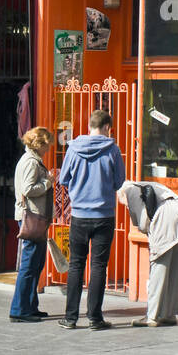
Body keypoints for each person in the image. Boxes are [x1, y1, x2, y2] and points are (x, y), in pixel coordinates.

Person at [57, 110, 126, 331]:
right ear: (107, 127)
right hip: (104, 215)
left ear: (89, 126)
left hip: (79, 215)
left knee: (76, 265)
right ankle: (95, 318)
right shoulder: (113, 150)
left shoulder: (73, 149)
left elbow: (63, 178)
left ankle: (70, 318)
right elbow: (119, 182)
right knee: (98, 266)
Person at [118, 181, 178, 327]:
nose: (126, 207)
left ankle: (151, 316)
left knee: (158, 270)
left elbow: (143, 221)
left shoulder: (130, 190)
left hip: (166, 220)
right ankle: (169, 314)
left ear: (122, 195)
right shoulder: (150, 185)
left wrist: (151, 240)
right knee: (174, 271)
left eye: (124, 204)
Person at [9, 127, 54, 323]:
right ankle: (19, 309)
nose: (49, 148)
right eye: (47, 144)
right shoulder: (31, 163)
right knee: (29, 264)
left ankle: (30, 305)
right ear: (40, 144)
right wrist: (48, 183)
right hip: (32, 217)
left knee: (36, 263)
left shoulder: (32, 161)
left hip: (35, 216)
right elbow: (28, 189)